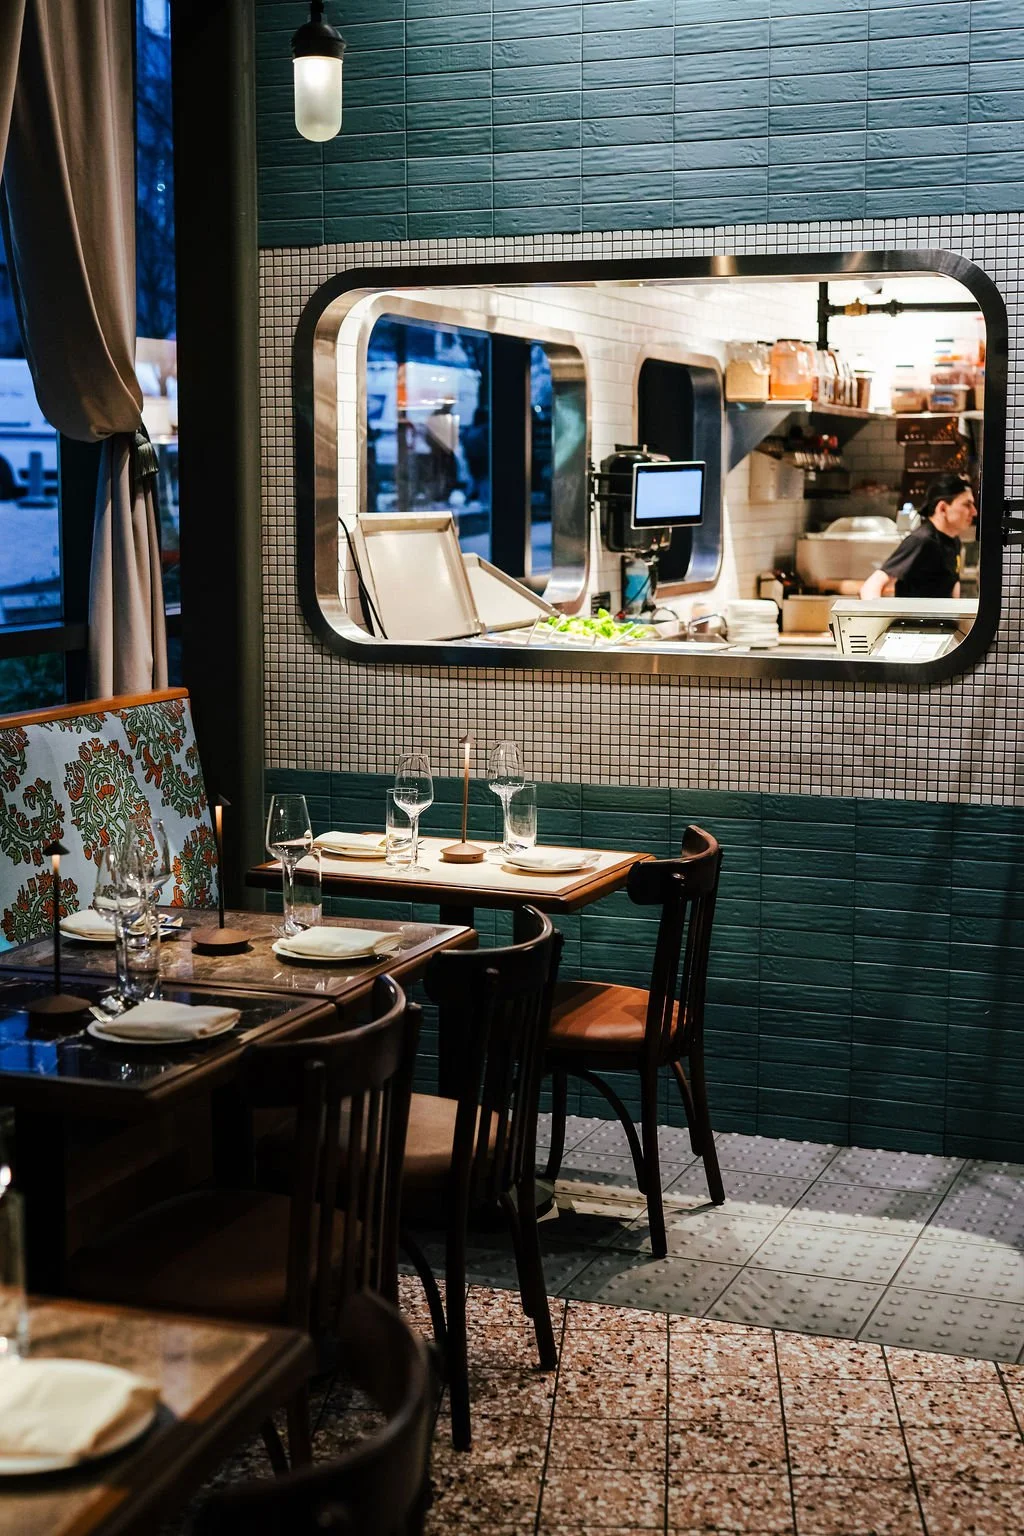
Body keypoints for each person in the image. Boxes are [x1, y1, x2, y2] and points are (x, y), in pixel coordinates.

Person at [859, 473, 977, 600]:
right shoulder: (922, 540)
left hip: (941, 619)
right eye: (967, 504)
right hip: (915, 619)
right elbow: (871, 586)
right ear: (942, 508)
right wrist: (876, 617)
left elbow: (953, 584)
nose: (974, 511)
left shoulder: (954, 540)